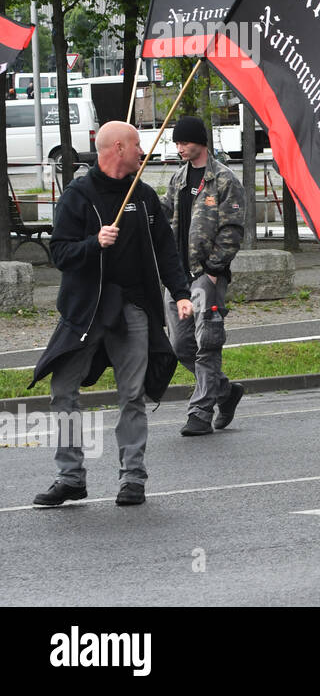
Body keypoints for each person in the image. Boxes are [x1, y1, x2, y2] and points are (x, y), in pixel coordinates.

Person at [31, 122, 194, 507]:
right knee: (62, 389)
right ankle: (70, 477)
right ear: (117, 148)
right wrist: (94, 242)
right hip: (86, 312)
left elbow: (166, 250)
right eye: (138, 144)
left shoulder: (144, 196)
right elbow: (60, 254)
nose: (144, 151)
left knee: (132, 394)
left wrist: (182, 293)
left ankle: (132, 477)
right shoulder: (78, 196)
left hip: (133, 308)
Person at [161, 116, 247, 436]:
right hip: (178, 278)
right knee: (180, 344)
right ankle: (225, 392)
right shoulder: (177, 178)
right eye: (177, 142)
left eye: (184, 142)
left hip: (205, 275)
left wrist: (213, 271)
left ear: (200, 141)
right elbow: (165, 217)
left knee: (206, 343)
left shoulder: (223, 179)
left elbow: (232, 229)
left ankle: (200, 412)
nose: (179, 147)